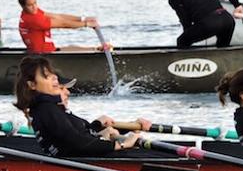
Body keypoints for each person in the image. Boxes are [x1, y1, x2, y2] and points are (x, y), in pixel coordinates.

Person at [13, 56, 150, 157]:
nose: (55, 77)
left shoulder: (48, 108)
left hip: (79, 158)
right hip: (78, 163)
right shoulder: (47, 110)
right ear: (32, 85)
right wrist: (121, 144)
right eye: (47, 76)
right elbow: (78, 143)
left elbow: (79, 135)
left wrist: (98, 127)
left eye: (52, 74)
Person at [16, 0, 103, 54]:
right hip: (43, 54)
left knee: (72, 47)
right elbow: (63, 24)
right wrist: (86, 24)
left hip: (49, 50)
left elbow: (57, 16)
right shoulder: (33, 19)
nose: (34, 7)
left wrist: (82, 18)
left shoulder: (34, 12)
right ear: (23, 6)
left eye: (35, 3)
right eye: (30, 5)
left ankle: (96, 49)